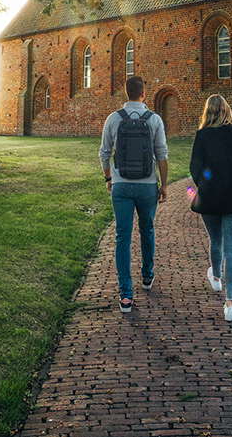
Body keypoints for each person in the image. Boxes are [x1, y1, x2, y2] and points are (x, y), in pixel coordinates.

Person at [100, 75, 169, 314]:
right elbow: (162, 153)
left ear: (125, 93)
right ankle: (147, 277)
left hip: (121, 186)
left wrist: (109, 178)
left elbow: (104, 153)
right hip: (147, 185)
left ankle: (126, 295)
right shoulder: (155, 120)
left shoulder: (113, 119)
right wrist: (164, 185)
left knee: (123, 237)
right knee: (147, 230)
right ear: (143, 94)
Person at [188, 94, 232, 321]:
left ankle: (217, 278)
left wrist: (205, 184)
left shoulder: (202, 136)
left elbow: (195, 167)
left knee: (215, 240)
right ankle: (230, 304)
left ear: (207, 112)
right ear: (227, 111)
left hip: (210, 198)